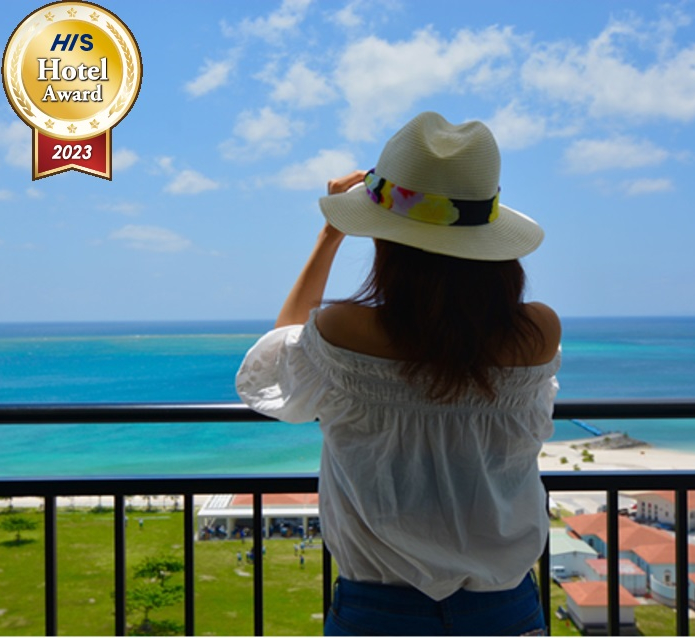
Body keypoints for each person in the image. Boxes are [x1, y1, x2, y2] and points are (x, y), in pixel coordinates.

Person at [236, 112, 561, 636]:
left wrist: (329, 235)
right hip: (506, 609)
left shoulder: (344, 330)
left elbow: (275, 371)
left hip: (378, 612)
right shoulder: (537, 331)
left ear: (385, 242)